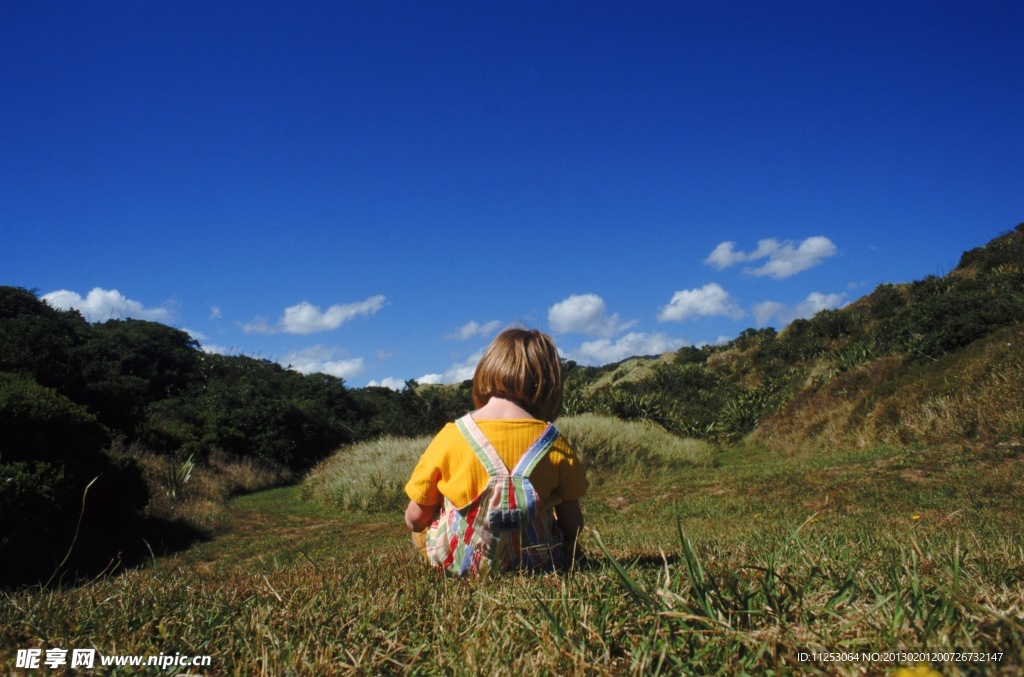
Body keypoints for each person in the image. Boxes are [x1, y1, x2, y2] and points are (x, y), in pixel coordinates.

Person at [404, 327, 588, 576]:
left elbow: (415, 519)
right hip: (538, 564)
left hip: (460, 565)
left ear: (486, 370)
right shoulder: (554, 442)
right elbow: (573, 526)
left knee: (426, 525)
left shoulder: (452, 435)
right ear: (549, 385)